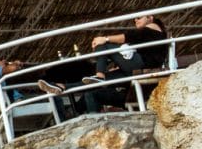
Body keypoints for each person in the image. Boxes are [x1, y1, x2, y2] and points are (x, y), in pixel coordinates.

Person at [37, 15, 169, 113]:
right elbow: (130, 45)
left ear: (150, 17)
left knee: (103, 44)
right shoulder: (146, 36)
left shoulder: (153, 27)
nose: (135, 20)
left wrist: (105, 38)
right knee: (97, 82)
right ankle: (62, 87)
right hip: (135, 71)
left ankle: (99, 76)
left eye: (139, 17)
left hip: (143, 66)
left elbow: (128, 37)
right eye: (134, 19)